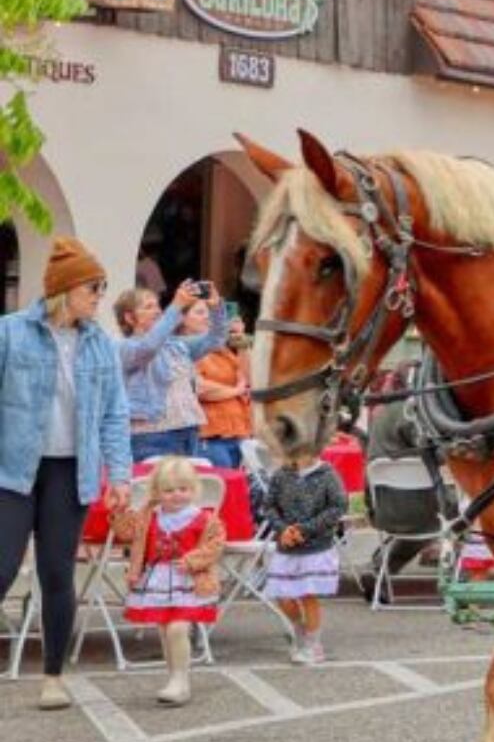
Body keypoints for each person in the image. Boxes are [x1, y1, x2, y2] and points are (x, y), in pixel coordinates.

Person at [0, 238, 133, 711]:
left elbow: (115, 415)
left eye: (101, 287)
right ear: (65, 289)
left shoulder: (101, 346)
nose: (99, 295)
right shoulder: (11, 333)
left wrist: (120, 477)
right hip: (12, 471)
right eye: (92, 287)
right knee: (2, 568)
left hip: (70, 472)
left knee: (57, 574)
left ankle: (53, 676)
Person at [111, 455, 224, 706]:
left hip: (188, 581)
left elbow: (215, 545)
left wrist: (194, 559)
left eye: (183, 489)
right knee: (164, 629)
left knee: (177, 628)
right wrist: (120, 511)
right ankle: (174, 677)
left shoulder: (203, 518)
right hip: (156, 579)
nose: (177, 495)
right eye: (169, 490)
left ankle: (181, 679)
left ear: (194, 489)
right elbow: (125, 533)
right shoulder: (148, 515)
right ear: (156, 492)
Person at [255, 449, 347, 664]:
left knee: (308, 595)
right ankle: (300, 629)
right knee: (283, 595)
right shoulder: (281, 475)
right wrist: (283, 529)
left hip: (316, 546)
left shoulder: (327, 474)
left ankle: (313, 643)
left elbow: (338, 506)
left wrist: (305, 529)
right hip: (287, 545)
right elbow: (269, 506)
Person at [116, 280, 225, 461]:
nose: (158, 311)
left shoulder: (176, 344)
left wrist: (216, 308)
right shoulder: (123, 347)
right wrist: (176, 306)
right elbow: (148, 347)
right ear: (129, 317)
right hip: (151, 437)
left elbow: (216, 340)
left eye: (158, 306)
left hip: (189, 432)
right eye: (149, 307)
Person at [196, 312, 253, 469]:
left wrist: (241, 341)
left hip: (239, 433)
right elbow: (199, 388)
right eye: (201, 313)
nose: (208, 320)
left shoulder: (224, 351)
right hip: (212, 438)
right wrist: (236, 390)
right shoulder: (194, 351)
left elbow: (249, 379)